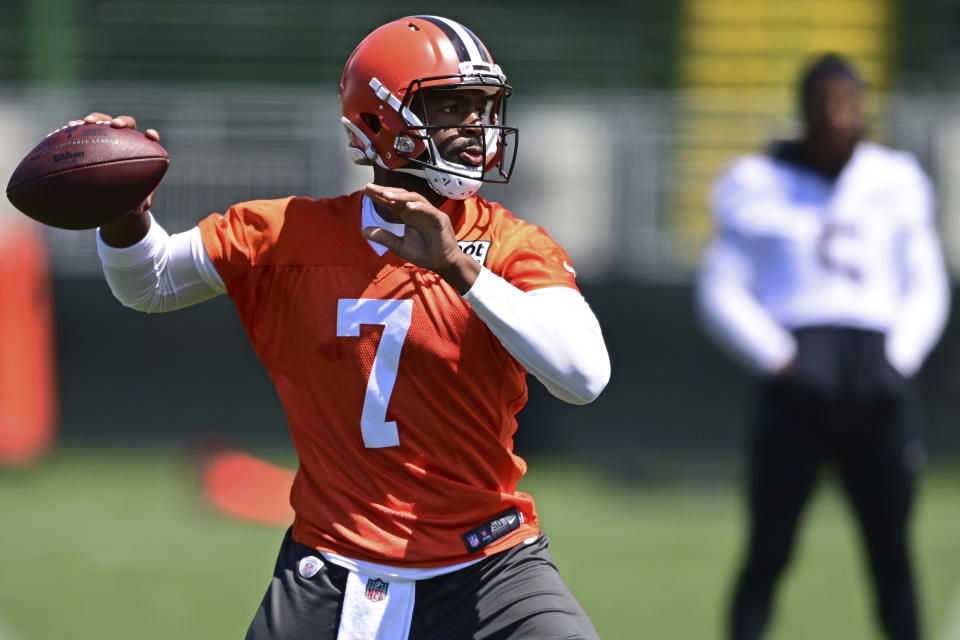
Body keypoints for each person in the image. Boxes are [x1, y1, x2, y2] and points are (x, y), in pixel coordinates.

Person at [73, 15, 610, 640]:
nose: (475, 126)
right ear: (379, 120)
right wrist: (123, 217)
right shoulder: (284, 233)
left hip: (490, 564)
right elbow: (152, 282)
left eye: (481, 106)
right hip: (329, 565)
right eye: (449, 106)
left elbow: (584, 376)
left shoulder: (512, 244)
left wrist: (459, 269)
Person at [696, 53, 950, 640]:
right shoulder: (756, 182)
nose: (837, 116)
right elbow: (721, 290)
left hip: (875, 379)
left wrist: (898, 359)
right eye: (825, 102)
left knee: (892, 555)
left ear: (864, 109)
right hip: (798, 381)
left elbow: (926, 283)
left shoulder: (896, 178)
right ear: (804, 109)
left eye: (848, 102)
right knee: (768, 550)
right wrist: (778, 355)